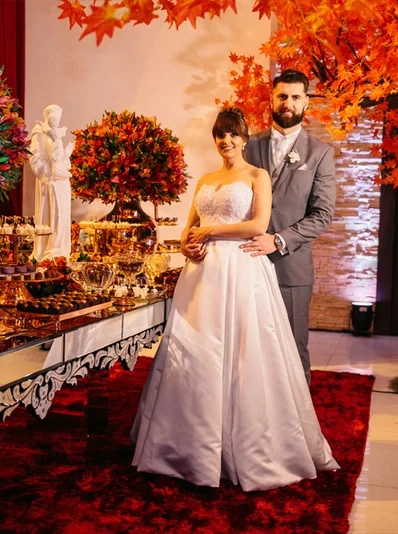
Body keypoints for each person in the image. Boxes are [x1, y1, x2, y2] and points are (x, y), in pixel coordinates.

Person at [131, 108, 339, 492]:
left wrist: (209, 233)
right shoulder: (206, 179)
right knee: (195, 352)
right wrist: (189, 246)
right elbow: (188, 227)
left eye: (232, 135)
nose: (225, 141)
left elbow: (258, 225)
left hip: (241, 269)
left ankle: (247, 448)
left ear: (244, 138)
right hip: (201, 274)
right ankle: (185, 448)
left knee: (243, 352)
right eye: (220, 135)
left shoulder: (257, 176)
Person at [239, 69, 336, 386]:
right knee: (246, 346)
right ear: (271, 98)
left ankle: (297, 424)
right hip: (245, 261)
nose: (288, 103)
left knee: (293, 348)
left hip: (290, 267)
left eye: (296, 97)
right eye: (282, 96)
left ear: (306, 102)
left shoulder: (320, 153)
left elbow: (322, 213)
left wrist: (278, 240)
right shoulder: (248, 146)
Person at [29, 104, 74, 261]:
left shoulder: (57, 135)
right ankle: (49, 252)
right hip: (49, 182)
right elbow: (35, 157)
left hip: (61, 181)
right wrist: (48, 174)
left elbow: (61, 159)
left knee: (62, 215)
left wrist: (66, 153)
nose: (55, 121)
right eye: (52, 118)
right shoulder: (39, 133)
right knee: (51, 215)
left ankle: (61, 251)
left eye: (57, 118)